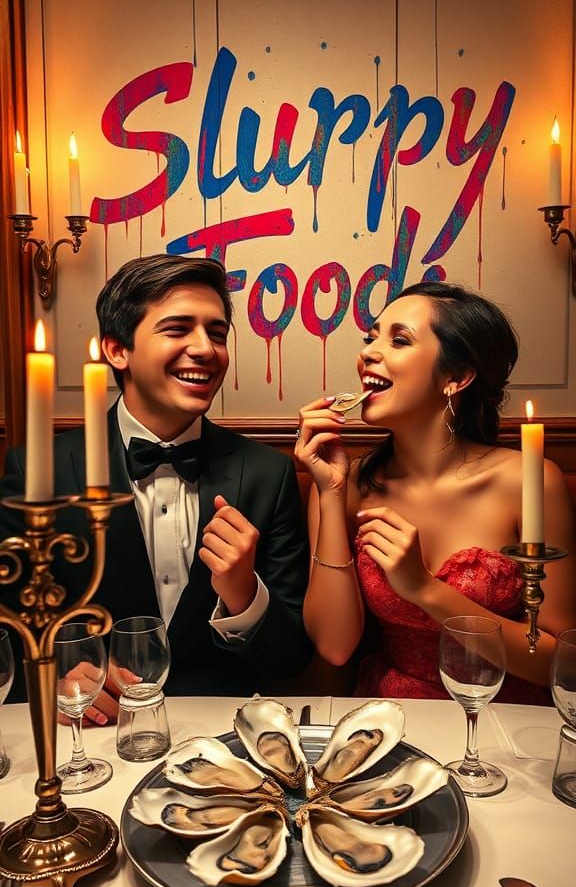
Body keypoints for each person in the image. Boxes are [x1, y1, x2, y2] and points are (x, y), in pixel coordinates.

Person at [1, 255, 311, 712]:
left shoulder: (268, 473)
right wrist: (57, 681)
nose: (206, 348)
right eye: (178, 329)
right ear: (116, 349)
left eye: (217, 332)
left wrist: (245, 595)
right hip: (92, 740)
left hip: (224, 742)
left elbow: (292, 660)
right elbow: (8, 630)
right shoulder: (38, 472)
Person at [296, 282, 575, 702]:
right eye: (371, 338)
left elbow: (558, 663)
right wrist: (331, 494)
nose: (368, 353)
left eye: (399, 340)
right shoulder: (343, 484)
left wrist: (424, 590)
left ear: (456, 377)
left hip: (507, 720)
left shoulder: (530, 481)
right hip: (395, 716)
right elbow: (335, 648)